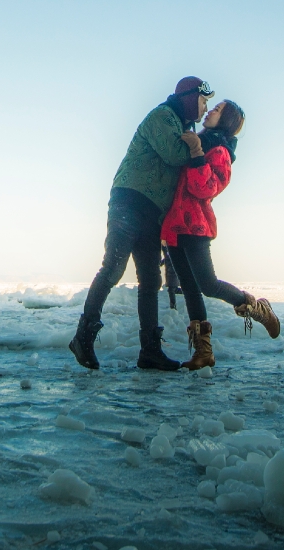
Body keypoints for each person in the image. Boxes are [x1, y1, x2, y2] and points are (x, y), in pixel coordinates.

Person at [69, 77, 214, 371]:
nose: (204, 106)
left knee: (150, 279)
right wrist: (199, 148)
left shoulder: (183, 127)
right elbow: (175, 155)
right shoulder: (162, 116)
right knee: (114, 266)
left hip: (152, 213)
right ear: (188, 97)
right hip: (129, 201)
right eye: (202, 100)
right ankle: (83, 336)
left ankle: (150, 350)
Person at [162, 100, 280, 371]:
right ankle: (203, 352)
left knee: (208, 284)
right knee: (190, 289)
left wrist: (196, 151)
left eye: (218, 110)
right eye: (213, 106)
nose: (211, 110)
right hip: (175, 227)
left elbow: (205, 188)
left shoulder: (220, 152)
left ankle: (256, 309)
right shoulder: (199, 141)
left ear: (226, 120)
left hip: (196, 226)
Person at [161, 244, 182, 309]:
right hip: (170, 269)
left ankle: (173, 306)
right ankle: (191, 291)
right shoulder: (168, 252)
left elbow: (169, 255)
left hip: (172, 270)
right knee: (173, 289)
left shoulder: (170, 247)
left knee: (171, 289)